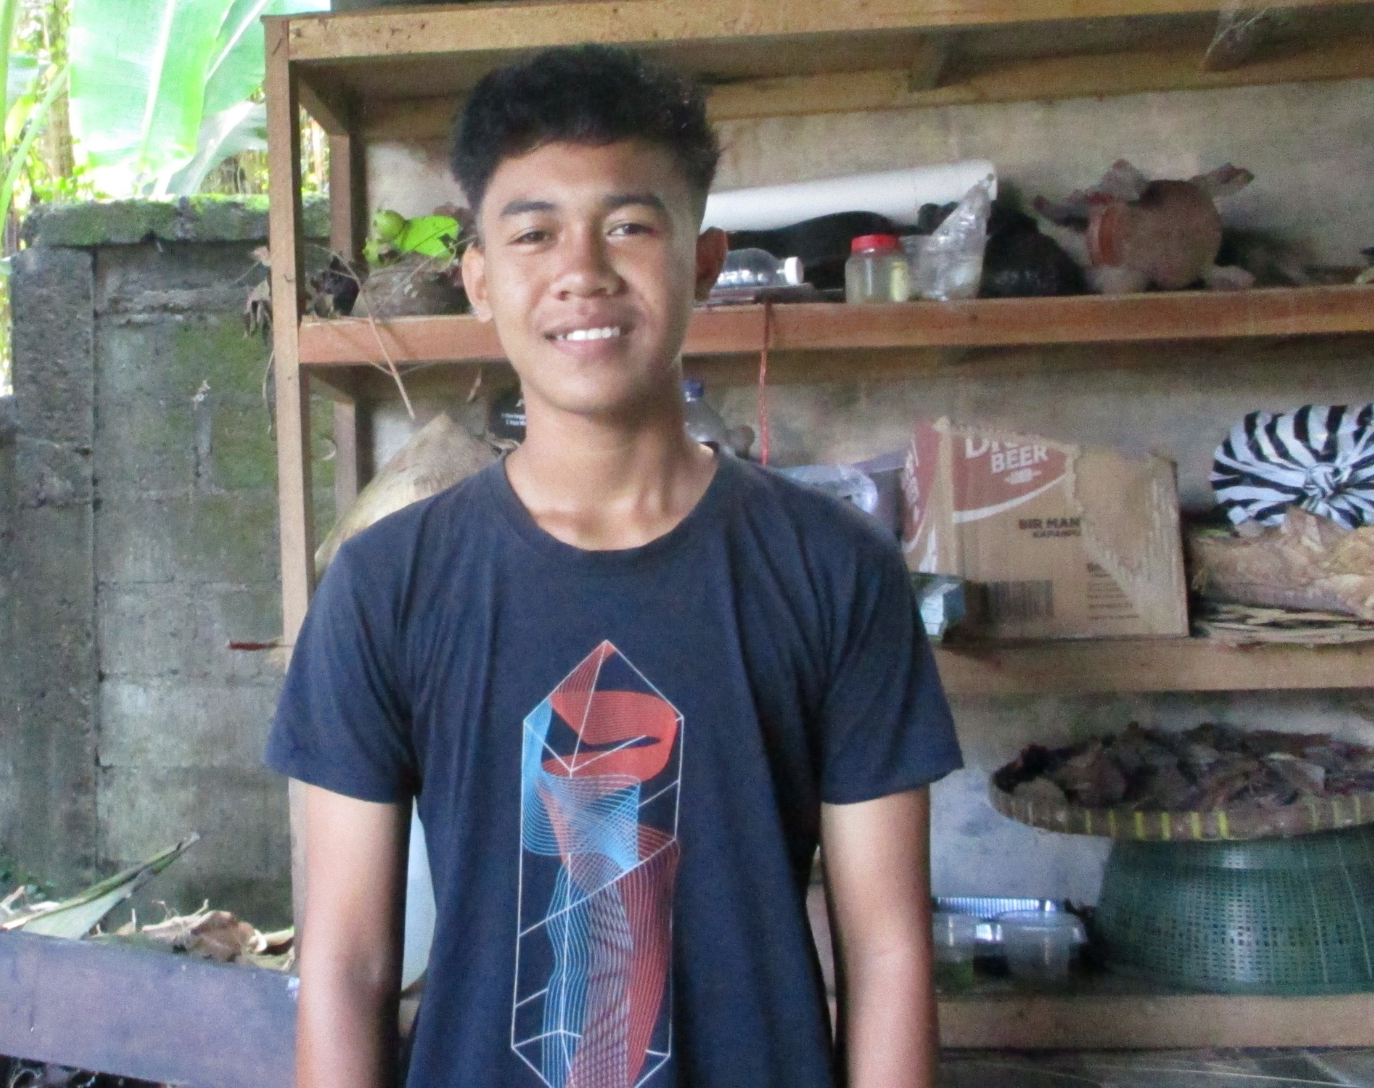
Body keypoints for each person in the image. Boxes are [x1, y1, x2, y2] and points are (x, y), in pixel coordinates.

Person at [266, 44, 961, 1088]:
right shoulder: (388, 586)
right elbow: (346, 962)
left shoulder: (834, 571)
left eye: (629, 226)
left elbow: (890, 950)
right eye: (533, 233)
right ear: (479, 279)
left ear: (706, 262)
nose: (582, 270)